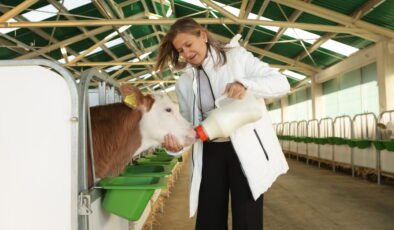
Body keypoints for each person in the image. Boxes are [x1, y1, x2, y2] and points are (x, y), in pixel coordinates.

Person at [156, 17, 290, 230]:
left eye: (189, 45)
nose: (186, 54)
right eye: (180, 50)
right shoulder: (183, 82)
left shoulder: (237, 58)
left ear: (203, 35)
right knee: (209, 219)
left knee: (247, 219)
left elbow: (281, 83)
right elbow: (188, 126)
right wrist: (176, 146)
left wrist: (245, 84)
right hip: (210, 152)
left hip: (245, 151)